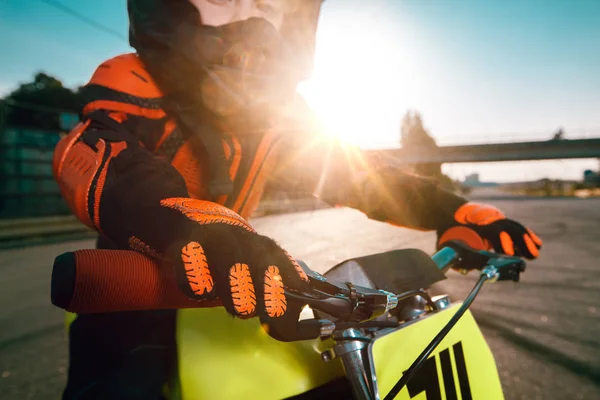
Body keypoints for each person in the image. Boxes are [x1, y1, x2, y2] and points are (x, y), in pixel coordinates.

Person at [52, 0, 543, 398]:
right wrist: (189, 225)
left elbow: (357, 173)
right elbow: (106, 161)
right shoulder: (134, 78)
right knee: (120, 384)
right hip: (134, 283)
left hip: (238, 273)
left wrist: (453, 210)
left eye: (272, 6)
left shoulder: (278, 115)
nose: (253, 20)